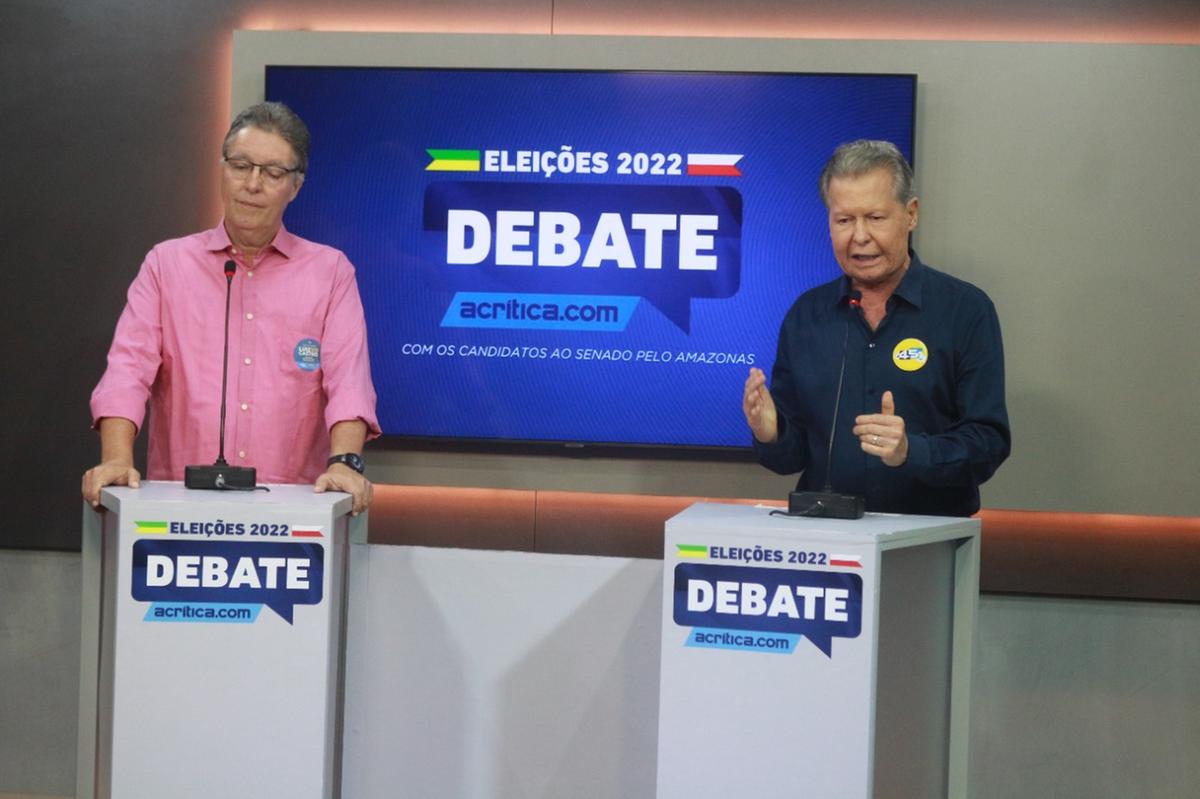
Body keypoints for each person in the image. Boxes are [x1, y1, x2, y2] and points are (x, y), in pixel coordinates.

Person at [83, 102, 379, 514]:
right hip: (177, 509)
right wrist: (116, 459)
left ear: (295, 186)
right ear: (222, 170)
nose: (252, 184)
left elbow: (349, 382)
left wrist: (345, 462)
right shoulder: (166, 265)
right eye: (241, 166)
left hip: (293, 514)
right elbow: (127, 370)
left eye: (273, 173)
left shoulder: (330, 272)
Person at [742, 139, 1010, 516]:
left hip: (926, 541)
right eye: (844, 220)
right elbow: (793, 456)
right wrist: (771, 432)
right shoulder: (807, 316)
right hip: (825, 545)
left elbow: (988, 443)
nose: (860, 236)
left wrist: (909, 451)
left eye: (876, 218)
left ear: (911, 214)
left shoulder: (965, 310)